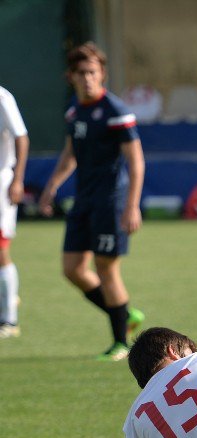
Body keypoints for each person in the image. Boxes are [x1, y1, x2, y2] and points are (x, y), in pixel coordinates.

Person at [39, 42, 145, 361]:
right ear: (70, 76)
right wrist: (51, 187)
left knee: (106, 268)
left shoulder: (116, 112)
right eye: (81, 73)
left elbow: (136, 161)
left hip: (111, 202)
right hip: (83, 200)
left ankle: (121, 344)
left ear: (103, 75)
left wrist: (131, 205)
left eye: (92, 72)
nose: (87, 78)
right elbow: (71, 154)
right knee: (72, 269)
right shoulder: (74, 110)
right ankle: (124, 315)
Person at [0, 85, 28, 339]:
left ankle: (9, 318)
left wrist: (17, 179)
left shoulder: (2, 96)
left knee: (1, 249)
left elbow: (21, 136)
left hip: (0, 182)